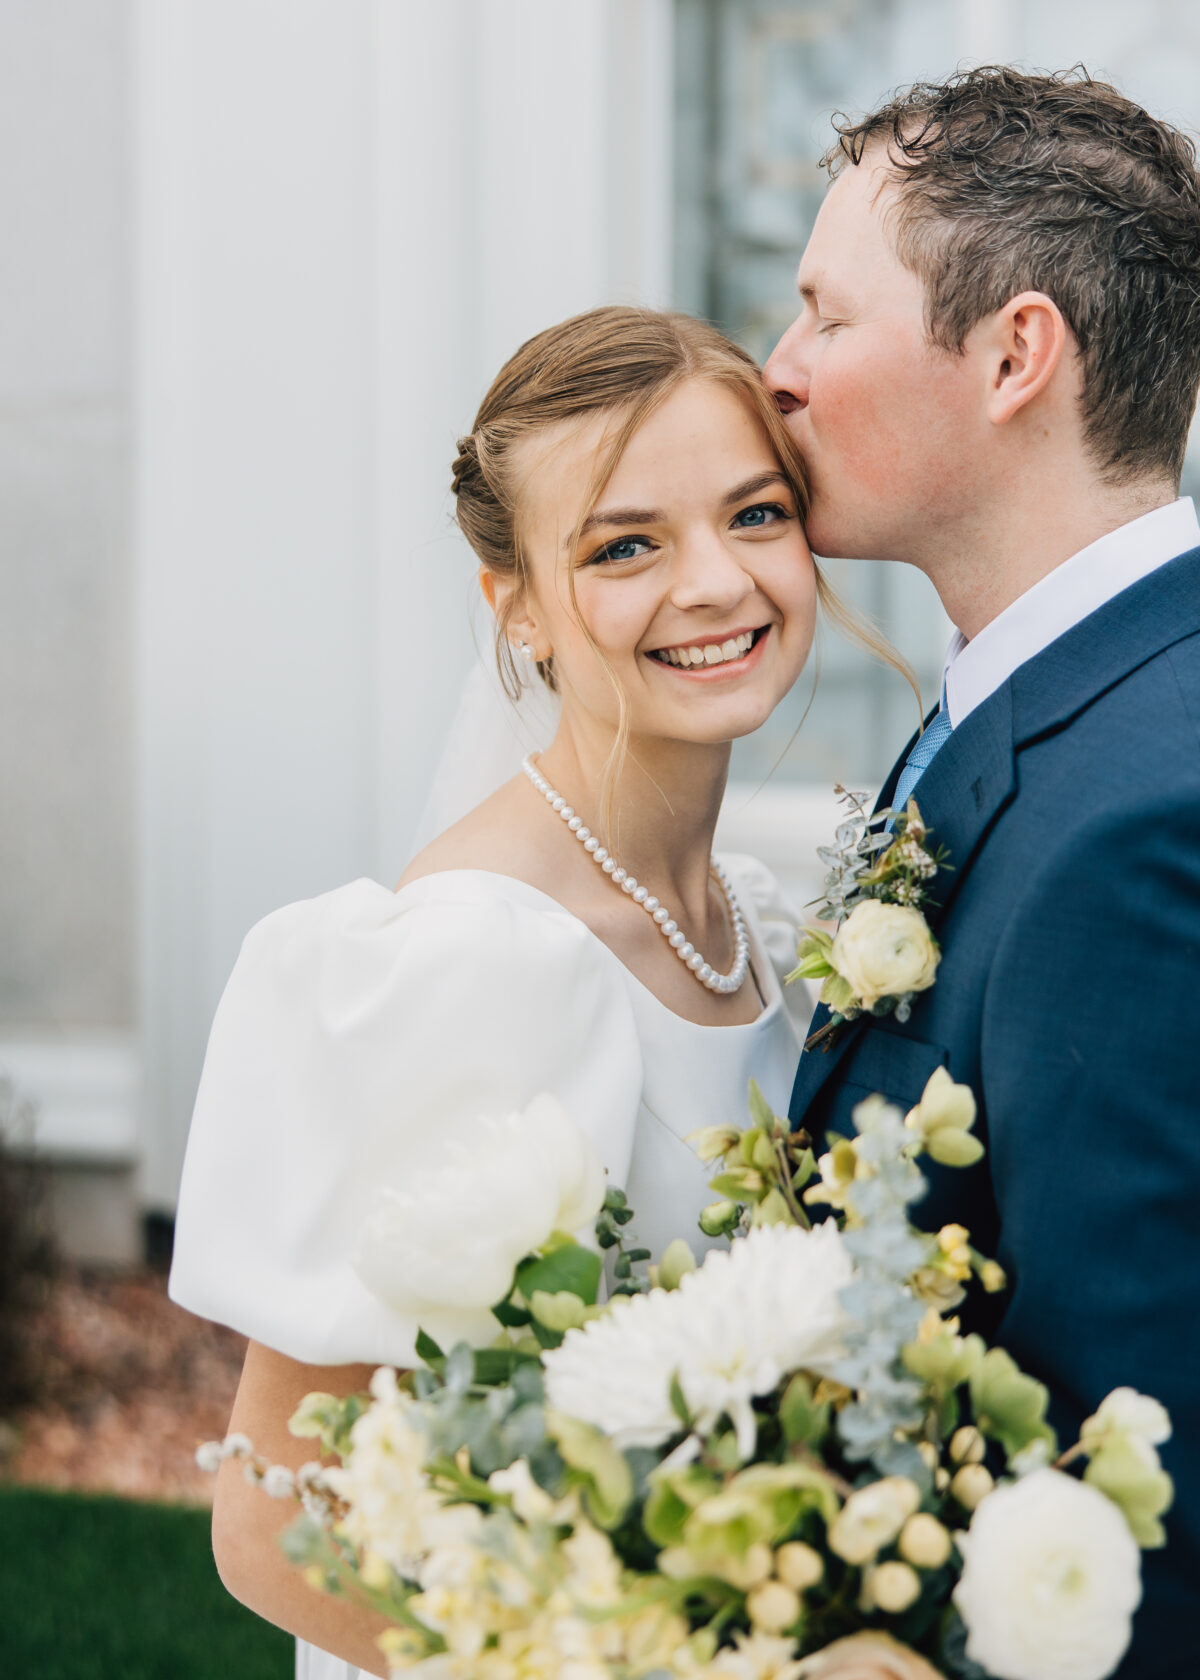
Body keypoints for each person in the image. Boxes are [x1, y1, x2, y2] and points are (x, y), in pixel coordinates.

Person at [168, 305, 912, 1678]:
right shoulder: (466, 958)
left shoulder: (757, 921)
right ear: (513, 601)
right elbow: (274, 1526)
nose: (714, 583)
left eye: (754, 515)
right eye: (625, 546)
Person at [768, 67, 1200, 1675]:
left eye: (825, 316)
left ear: (1017, 355)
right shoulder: (1038, 699)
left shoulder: (1143, 815)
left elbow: (1141, 1492)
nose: (778, 373)